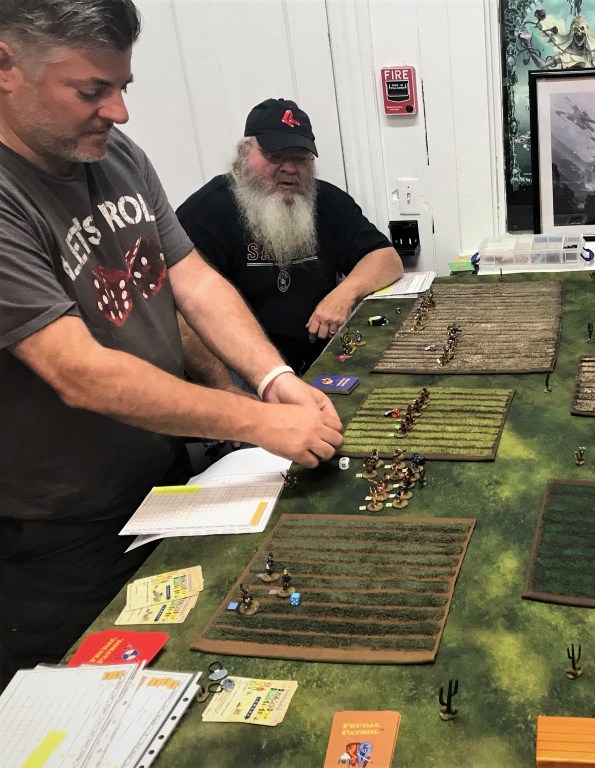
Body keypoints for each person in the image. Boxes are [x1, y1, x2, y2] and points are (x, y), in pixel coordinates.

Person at [0, 0, 343, 689]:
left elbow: (193, 279)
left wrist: (274, 379)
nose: (119, 112)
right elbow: (78, 372)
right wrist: (257, 421)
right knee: (86, 705)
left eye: (123, 86)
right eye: (92, 90)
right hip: (58, 530)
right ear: (5, 66)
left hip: (157, 480)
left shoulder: (116, 156)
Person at [176, 98, 403, 374]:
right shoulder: (204, 213)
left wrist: (344, 294)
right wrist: (225, 386)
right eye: (275, 156)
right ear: (243, 153)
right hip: (240, 370)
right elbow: (181, 318)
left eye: (300, 158)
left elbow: (386, 258)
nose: (290, 168)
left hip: (321, 359)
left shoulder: (328, 202)